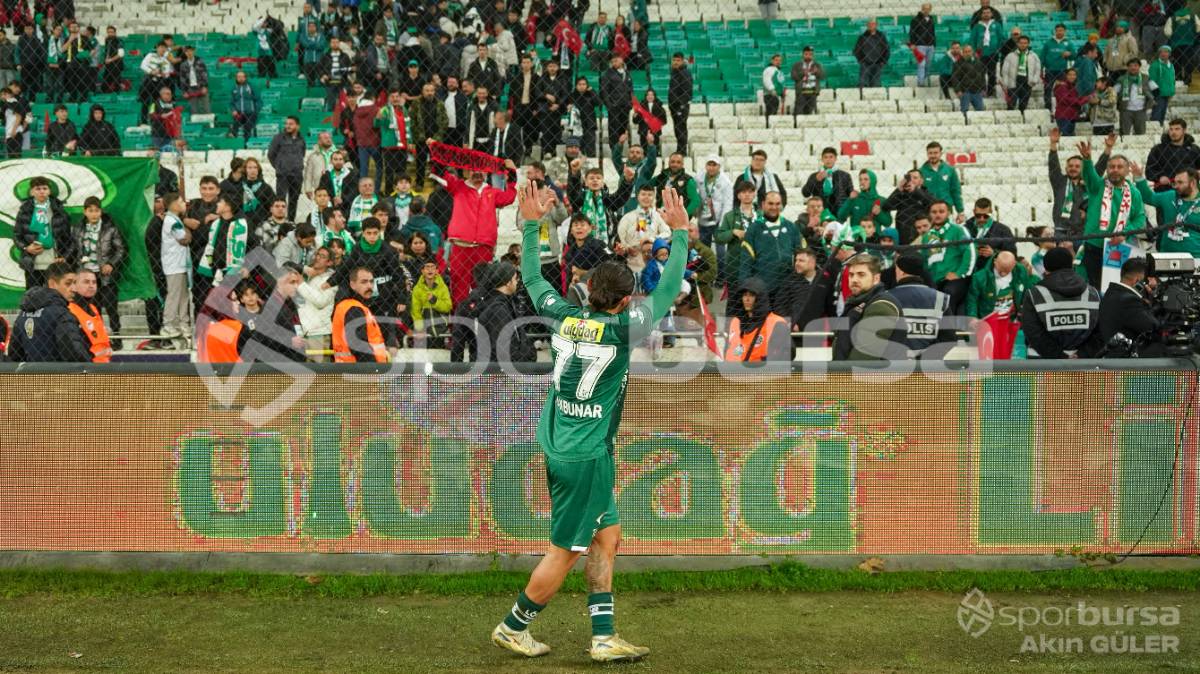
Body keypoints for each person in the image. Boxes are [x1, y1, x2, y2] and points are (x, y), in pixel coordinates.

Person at [490, 183, 690, 663]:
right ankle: (513, 627)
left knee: (607, 535)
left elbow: (535, 281)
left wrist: (534, 224)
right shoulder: (624, 328)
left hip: (562, 441)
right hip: (586, 455)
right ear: (623, 301)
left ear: (590, 291)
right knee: (566, 549)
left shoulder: (565, 315)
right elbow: (666, 292)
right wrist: (680, 233)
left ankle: (604, 637)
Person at [432, 150, 518, 304]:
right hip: (460, 246)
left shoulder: (492, 192)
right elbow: (440, 172)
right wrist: (436, 149)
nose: (477, 173)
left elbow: (509, 197)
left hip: (483, 247)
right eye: (473, 170)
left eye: (480, 170)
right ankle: (459, 324)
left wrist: (511, 173)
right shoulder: (457, 187)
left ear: (486, 172)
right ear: (466, 171)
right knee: (458, 286)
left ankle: (480, 320)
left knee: (483, 286)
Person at [1077, 140, 1146, 289]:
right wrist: (1087, 160)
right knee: (1095, 286)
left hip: (1121, 245)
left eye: (1119, 167)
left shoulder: (1134, 192)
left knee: (1118, 285)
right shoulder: (1098, 186)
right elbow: (1089, 175)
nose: (1115, 170)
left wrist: (1125, 233)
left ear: (1127, 170)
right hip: (1094, 245)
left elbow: (1140, 217)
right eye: (1111, 167)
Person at [1020, 247, 1101, 359]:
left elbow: (1033, 332)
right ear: (1071, 265)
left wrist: (1059, 357)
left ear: (1046, 268)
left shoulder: (1034, 294)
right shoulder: (1093, 293)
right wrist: (1081, 354)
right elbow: (1101, 332)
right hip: (1082, 364)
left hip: (1043, 363)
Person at [64, 196, 126, 339]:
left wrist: (111, 264)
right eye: (90, 211)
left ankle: (117, 337)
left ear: (101, 212)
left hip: (105, 275)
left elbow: (121, 249)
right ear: (84, 212)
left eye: (97, 211)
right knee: (91, 308)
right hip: (86, 274)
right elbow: (73, 247)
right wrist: (64, 258)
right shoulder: (78, 229)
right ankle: (94, 337)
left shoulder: (110, 229)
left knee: (111, 306)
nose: (94, 214)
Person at [7, 262, 91, 362]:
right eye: (68, 283)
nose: (74, 289)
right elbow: (74, 353)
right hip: (57, 375)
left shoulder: (23, 313)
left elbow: (14, 353)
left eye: (75, 283)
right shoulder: (62, 315)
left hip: (31, 375)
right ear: (52, 283)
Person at [832, 253, 904, 361]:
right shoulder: (858, 302)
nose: (854, 279)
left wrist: (841, 376)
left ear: (876, 278)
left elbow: (863, 359)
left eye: (861, 274)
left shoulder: (882, 306)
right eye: (851, 275)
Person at [739, 192, 803, 298]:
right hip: (762, 288)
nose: (774, 207)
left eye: (777, 204)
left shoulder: (791, 227)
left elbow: (801, 253)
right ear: (763, 204)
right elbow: (745, 261)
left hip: (787, 286)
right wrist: (744, 286)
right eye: (770, 203)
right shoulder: (754, 229)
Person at [888, 254, 953, 357]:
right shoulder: (940, 298)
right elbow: (949, 338)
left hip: (895, 366)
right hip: (927, 369)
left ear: (901, 271)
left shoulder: (886, 298)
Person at [13, 176, 71, 290]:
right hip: (33, 264)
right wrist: (26, 248)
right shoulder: (25, 210)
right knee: (33, 298)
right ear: (31, 192)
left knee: (55, 298)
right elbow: (16, 235)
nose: (41, 191)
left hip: (54, 263)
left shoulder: (58, 210)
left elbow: (68, 238)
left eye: (44, 188)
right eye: (38, 188)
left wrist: (63, 256)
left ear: (49, 191)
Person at [1132, 163, 1200, 258]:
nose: (1176, 186)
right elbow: (1149, 197)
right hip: (1167, 255)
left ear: (1192, 183)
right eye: (1175, 182)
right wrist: (1139, 178)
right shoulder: (1170, 195)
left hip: (1195, 258)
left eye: (1180, 182)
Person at [919, 200, 974, 314]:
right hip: (935, 280)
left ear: (949, 213)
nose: (937, 215)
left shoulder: (958, 230)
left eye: (941, 211)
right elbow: (925, 261)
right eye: (934, 212)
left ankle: (948, 329)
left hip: (955, 279)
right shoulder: (927, 236)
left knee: (947, 295)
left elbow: (970, 252)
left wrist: (959, 274)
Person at [475, 261, 536, 362]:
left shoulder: (503, 303)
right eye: (515, 279)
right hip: (501, 373)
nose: (517, 282)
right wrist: (527, 357)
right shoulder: (498, 310)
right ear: (508, 283)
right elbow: (505, 350)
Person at [1098, 258, 1160, 354]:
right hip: (1126, 363)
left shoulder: (1111, 293)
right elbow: (1153, 328)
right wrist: (1155, 300)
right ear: (1138, 281)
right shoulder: (1129, 301)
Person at [724, 277, 791, 362]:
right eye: (744, 295)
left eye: (752, 295)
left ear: (760, 298)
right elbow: (728, 351)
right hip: (733, 372)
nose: (747, 299)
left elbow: (786, 354)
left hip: (762, 373)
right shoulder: (735, 322)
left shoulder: (776, 323)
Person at [331, 266, 389, 362]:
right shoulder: (353, 308)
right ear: (352, 285)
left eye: (371, 281)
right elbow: (357, 344)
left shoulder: (351, 305)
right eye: (364, 282)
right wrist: (373, 368)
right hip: (361, 371)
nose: (369, 286)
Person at [965, 250, 1031, 322]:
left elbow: (1026, 293)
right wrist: (972, 317)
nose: (1003, 274)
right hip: (988, 319)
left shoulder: (1021, 271)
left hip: (1011, 319)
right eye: (1000, 270)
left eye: (1007, 271)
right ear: (995, 261)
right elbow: (972, 299)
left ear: (1014, 264)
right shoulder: (979, 277)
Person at [67, 269, 114, 362]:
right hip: (86, 367)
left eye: (94, 282)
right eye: (86, 282)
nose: (91, 285)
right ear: (74, 285)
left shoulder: (93, 308)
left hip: (103, 365)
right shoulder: (70, 310)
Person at [1146, 119, 1200, 190]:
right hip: (1165, 190)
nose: (1173, 132)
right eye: (1171, 129)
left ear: (1184, 130)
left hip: (1190, 190)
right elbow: (1149, 170)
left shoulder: (1194, 149)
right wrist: (1160, 177)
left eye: (1177, 129)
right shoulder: (1158, 149)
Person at [966, 197, 1015, 269]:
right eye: (978, 216)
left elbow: (1012, 254)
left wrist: (994, 253)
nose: (982, 219)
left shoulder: (1003, 230)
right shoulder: (965, 228)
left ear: (991, 212)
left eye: (986, 216)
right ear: (974, 212)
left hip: (994, 269)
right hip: (969, 268)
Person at [695, 156, 732, 246]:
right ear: (705, 166)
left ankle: (721, 261)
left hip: (718, 218)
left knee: (720, 248)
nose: (711, 168)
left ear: (719, 166)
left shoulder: (725, 181)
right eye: (709, 164)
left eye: (714, 165)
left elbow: (728, 203)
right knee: (703, 248)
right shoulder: (698, 177)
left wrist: (723, 222)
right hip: (703, 218)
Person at [802, 148, 850, 213]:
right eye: (826, 157)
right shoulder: (814, 176)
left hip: (838, 213)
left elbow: (849, 196)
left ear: (835, 159)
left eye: (831, 157)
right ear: (822, 159)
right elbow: (805, 193)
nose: (828, 160)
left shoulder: (844, 176)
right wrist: (815, 180)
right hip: (819, 212)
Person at [999, 35, 1039, 113]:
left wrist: (1035, 79)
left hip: (1027, 83)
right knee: (1011, 104)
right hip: (1013, 83)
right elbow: (1005, 71)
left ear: (1028, 44)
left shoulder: (1033, 56)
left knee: (1024, 104)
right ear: (1017, 44)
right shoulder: (1010, 56)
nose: (1023, 45)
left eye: (1025, 43)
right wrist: (1005, 83)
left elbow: (1037, 69)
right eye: (1021, 43)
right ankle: (1010, 119)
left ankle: (1022, 118)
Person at [600, 55, 633, 147]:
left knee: (623, 128)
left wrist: (630, 103)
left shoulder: (627, 73)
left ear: (622, 60)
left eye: (616, 60)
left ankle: (620, 147)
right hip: (614, 106)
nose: (614, 63)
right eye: (612, 61)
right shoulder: (607, 74)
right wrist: (609, 105)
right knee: (613, 128)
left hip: (625, 105)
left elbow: (631, 89)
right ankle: (614, 148)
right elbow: (604, 91)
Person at [1041, 23, 1074, 109]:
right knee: (1048, 89)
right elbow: (1042, 56)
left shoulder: (1069, 43)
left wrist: (1069, 54)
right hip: (1049, 70)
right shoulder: (1048, 43)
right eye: (1058, 30)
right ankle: (1048, 108)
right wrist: (1041, 69)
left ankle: (1061, 108)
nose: (1059, 32)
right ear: (1055, 31)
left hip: (1062, 70)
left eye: (1061, 30)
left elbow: (1074, 56)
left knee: (1062, 90)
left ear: (1065, 31)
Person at [969, 7, 1002, 94]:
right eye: (984, 13)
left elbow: (1001, 38)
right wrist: (974, 51)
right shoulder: (977, 26)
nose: (986, 14)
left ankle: (991, 90)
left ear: (991, 14)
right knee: (980, 72)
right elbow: (972, 40)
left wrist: (998, 49)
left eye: (988, 12)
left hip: (993, 52)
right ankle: (982, 89)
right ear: (981, 15)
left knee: (992, 73)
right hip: (980, 53)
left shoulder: (997, 25)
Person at [1117, 58, 1151, 137]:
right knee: (1124, 134)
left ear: (1139, 67)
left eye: (1135, 65)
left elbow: (1155, 91)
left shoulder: (1146, 78)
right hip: (1126, 111)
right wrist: (1119, 107)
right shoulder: (1121, 79)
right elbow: (1115, 93)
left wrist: (1149, 104)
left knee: (1141, 134)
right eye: (1131, 66)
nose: (1133, 68)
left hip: (1141, 110)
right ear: (1127, 67)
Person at [1053, 69, 1091, 136]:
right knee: (1066, 138)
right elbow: (1068, 100)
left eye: (1074, 75)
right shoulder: (1061, 86)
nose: (1072, 77)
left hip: (1071, 116)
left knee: (1070, 138)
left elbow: (1075, 99)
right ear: (1066, 76)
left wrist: (1087, 98)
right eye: (1070, 75)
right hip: (1064, 117)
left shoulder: (1072, 86)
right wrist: (1085, 99)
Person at [951, 45, 987, 114]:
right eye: (966, 52)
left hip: (977, 91)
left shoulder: (978, 62)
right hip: (965, 91)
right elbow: (955, 78)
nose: (967, 53)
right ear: (962, 53)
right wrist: (958, 90)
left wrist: (984, 88)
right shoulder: (958, 64)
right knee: (964, 111)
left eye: (969, 51)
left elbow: (982, 76)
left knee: (980, 111)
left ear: (972, 52)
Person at [854, 19, 890, 88]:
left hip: (878, 63)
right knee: (862, 83)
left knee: (876, 84)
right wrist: (862, 60)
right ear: (867, 26)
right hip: (865, 64)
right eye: (869, 24)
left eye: (873, 24)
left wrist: (883, 61)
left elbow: (887, 50)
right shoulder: (862, 37)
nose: (871, 26)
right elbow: (856, 50)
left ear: (876, 25)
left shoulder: (881, 37)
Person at [667, 52, 692, 153]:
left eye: (678, 60)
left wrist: (681, 105)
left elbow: (687, 91)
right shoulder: (674, 72)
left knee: (680, 128)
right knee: (678, 128)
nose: (675, 62)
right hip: (674, 105)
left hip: (680, 106)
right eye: (674, 60)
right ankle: (680, 149)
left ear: (682, 61)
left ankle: (682, 151)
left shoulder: (685, 73)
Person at [229, 70, 262, 142]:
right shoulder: (234, 88)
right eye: (238, 77)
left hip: (250, 113)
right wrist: (233, 110)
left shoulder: (251, 86)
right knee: (235, 124)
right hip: (239, 113)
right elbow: (231, 102)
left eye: (242, 76)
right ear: (236, 78)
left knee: (247, 126)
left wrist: (256, 111)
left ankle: (246, 143)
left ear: (245, 78)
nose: (240, 78)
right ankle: (233, 140)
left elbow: (259, 100)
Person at [178, 45, 211, 115]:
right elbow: (182, 79)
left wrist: (205, 86)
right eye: (187, 51)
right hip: (191, 89)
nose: (189, 53)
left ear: (194, 51)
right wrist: (184, 91)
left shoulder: (200, 61)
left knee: (206, 109)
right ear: (185, 53)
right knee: (194, 110)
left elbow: (205, 74)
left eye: (190, 51)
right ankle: (196, 125)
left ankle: (208, 124)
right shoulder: (183, 65)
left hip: (201, 87)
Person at [791, 46, 824, 116]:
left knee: (811, 112)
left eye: (810, 54)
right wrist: (803, 73)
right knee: (799, 112)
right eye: (806, 54)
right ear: (802, 55)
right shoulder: (797, 65)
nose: (808, 56)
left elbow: (822, 76)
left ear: (813, 55)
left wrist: (817, 72)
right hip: (801, 92)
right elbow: (793, 77)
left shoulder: (817, 65)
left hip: (813, 92)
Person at [1149, 46, 1176, 127]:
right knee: (1157, 114)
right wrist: (1156, 93)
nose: (1164, 54)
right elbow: (1151, 80)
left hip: (1167, 94)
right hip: (1159, 94)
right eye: (1162, 52)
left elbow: (1173, 79)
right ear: (1159, 53)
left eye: (1166, 52)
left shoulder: (1171, 65)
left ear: (1169, 54)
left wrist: (1172, 92)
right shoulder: (1155, 65)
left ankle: (1160, 129)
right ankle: (1154, 129)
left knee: (1162, 114)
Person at [910, 3, 936, 86]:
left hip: (930, 45)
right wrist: (913, 43)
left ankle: (923, 79)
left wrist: (934, 43)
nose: (926, 10)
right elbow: (912, 32)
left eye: (928, 9)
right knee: (921, 64)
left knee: (928, 64)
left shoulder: (931, 19)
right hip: (920, 45)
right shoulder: (915, 19)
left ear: (930, 10)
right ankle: (921, 82)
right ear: (922, 9)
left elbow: (933, 32)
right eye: (924, 8)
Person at [762, 53, 786, 119]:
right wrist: (772, 89)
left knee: (774, 112)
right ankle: (768, 124)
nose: (778, 62)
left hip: (776, 95)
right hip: (769, 95)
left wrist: (781, 94)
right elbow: (767, 80)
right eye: (776, 60)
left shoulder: (778, 71)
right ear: (772, 61)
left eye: (780, 60)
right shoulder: (769, 69)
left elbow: (780, 83)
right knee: (770, 112)